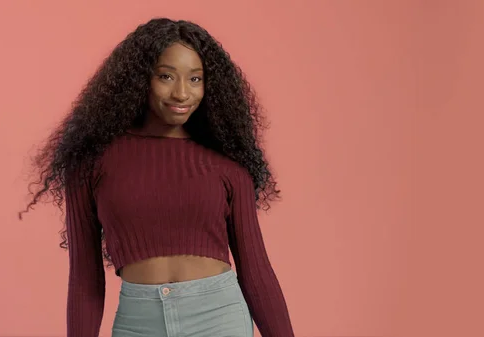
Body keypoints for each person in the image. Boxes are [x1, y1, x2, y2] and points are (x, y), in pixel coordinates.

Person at [19, 17, 295, 337]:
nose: (181, 93)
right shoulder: (90, 161)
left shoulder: (227, 164)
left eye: (195, 79)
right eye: (166, 76)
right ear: (139, 79)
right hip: (138, 323)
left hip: (219, 318)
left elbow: (256, 271)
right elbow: (84, 279)